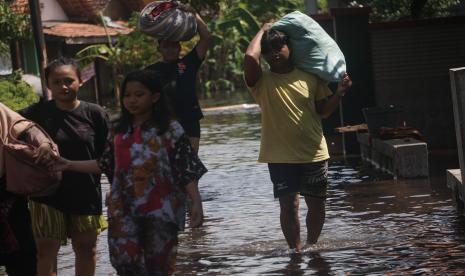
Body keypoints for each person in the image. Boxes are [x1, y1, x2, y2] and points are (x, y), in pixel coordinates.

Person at [50, 69, 207, 275]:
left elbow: (186, 169)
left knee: (159, 267)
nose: (132, 100)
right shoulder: (117, 128)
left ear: (155, 97)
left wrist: (196, 202)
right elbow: (104, 164)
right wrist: (68, 164)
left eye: (139, 95)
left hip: (162, 211)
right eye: (127, 95)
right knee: (125, 263)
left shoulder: (171, 129)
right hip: (123, 210)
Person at [243, 24, 352, 253]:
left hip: (314, 151)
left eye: (279, 46)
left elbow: (324, 111)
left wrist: (340, 93)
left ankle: (312, 246)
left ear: (289, 47)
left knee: (317, 205)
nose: (274, 53)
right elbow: (249, 57)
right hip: (279, 156)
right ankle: (296, 251)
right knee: (288, 205)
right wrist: (263, 30)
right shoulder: (261, 82)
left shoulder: (310, 77)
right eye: (268, 50)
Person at [19, 57, 109, 276]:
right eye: (57, 82)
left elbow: (110, 159)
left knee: (87, 250)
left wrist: (117, 192)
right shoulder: (35, 113)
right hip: (46, 194)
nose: (63, 87)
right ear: (48, 84)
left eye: (69, 80)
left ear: (80, 81)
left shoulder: (95, 114)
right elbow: (9, 126)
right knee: (45, 252)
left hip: (85, 191)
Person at [0, 102, 55, 276]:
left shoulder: (2, 112)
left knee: (23, 257)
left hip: (7, 195)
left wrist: (45, 145)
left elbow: (26, 129)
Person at [145, 11, 210, 153]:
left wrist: (195, 15)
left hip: (190, 120)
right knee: (168, 164)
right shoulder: (150, 71)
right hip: (164, 122)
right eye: (166, 46)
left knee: (190, 162)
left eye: (174, 46)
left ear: (180, 47)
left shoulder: (189, 63)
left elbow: (205, 38)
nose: (170, 50)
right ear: (159, 49)